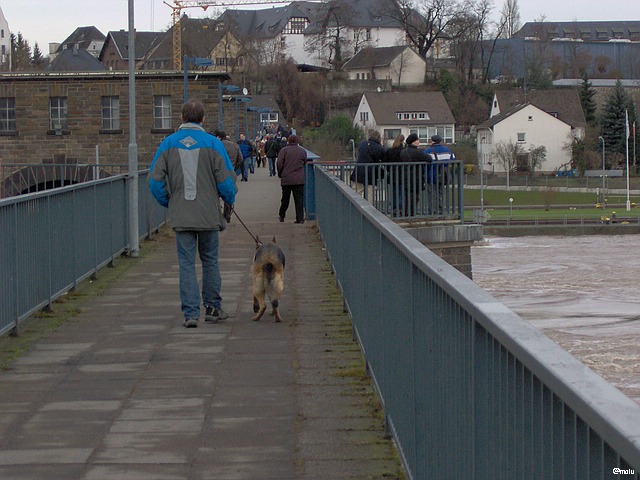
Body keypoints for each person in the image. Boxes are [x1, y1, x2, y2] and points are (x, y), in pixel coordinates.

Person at [149, 100, 236, 328]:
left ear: (181, 117)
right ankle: (213, 307)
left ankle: (190, 314)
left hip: (182, 214)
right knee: (210, 260)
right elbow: (227, 181)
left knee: (186, 264)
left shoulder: (167, 144)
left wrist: (169, 201)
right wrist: (229, 200)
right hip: (208, 214)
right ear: (203, 119)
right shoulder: (213, 144)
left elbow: (154, 181)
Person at [277, 134, 307, 223]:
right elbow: (304, 162)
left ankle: (282, 216)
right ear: (297, 141)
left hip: (287, 178)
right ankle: (300, 218)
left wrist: (280, 174)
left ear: (288, 141)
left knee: (285, 199)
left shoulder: (284, 151)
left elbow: (279, 164)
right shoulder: (302, 151)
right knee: (299, 200)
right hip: (298, 179)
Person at [349, 129, 386, 203]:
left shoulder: (362, 144)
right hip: (371, 174)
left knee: (356, 194)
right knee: (370, 196)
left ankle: (355, 211)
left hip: (358, 172)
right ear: (379, 138)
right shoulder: (379, 148)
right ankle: (368, 213)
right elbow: (383, 157)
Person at [399, 133, 432, 216]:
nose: (418, 141)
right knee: (414, 196)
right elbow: (429, 159)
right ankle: (411, 213)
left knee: (408, 195)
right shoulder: (416, 152)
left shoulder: (403, 151)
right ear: (413, 142)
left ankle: (407, 212)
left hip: (405, 176)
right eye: (417, 140)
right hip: (416, 177)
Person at [214, 129, 242, 223]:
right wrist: (234, 168)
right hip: (231, 172)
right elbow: (240, 159)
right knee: (229, 193)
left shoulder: (216, 145)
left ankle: (216, 215)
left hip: (218, 172)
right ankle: (227, 214)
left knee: (215, 194)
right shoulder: (235, 145)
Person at [422, 134, 455, 215]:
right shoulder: (447, 150)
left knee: (431, 195)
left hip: (431, 176)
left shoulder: (428, 151)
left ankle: (433, 211)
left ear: (432, 141)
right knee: (440, 193)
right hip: (443, 176)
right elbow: (452, 159)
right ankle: (440, 210)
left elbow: (423, 161)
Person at [385, 133, 405, 216]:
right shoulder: (403, 151)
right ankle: (399, 208)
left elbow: (385, 161)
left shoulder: (390, 150)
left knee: (393, 192)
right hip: (402, 174)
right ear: (403, 141)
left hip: (392, 174)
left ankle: (393, 208)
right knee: (401, 192)